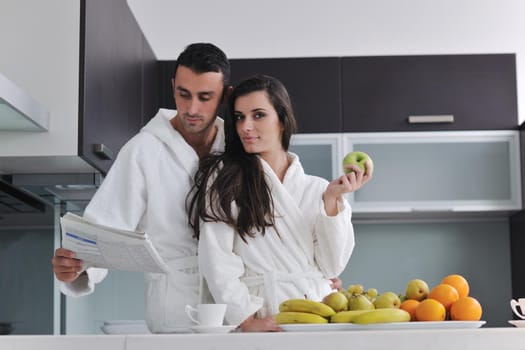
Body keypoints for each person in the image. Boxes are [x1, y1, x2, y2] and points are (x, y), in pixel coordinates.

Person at [51, 43, 231, 333]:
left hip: (237, 314)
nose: (192, 108)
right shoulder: (143, 151)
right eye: (183, 95)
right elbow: (102, 229)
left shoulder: (239, 149)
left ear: (225, 96)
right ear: (173, 87)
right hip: (173, 317)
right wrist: (74, 268)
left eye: (205, 97)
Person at [187, 75, 373, 332]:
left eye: (258, 115)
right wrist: (247, 319)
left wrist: (332, 200)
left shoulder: (318, 189)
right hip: (263, 316)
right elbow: (216, 258)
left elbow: (331, 266)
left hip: (315, 316)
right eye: (239, 117)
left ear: (282, 121)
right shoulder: (226, 180)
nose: (245, 127)